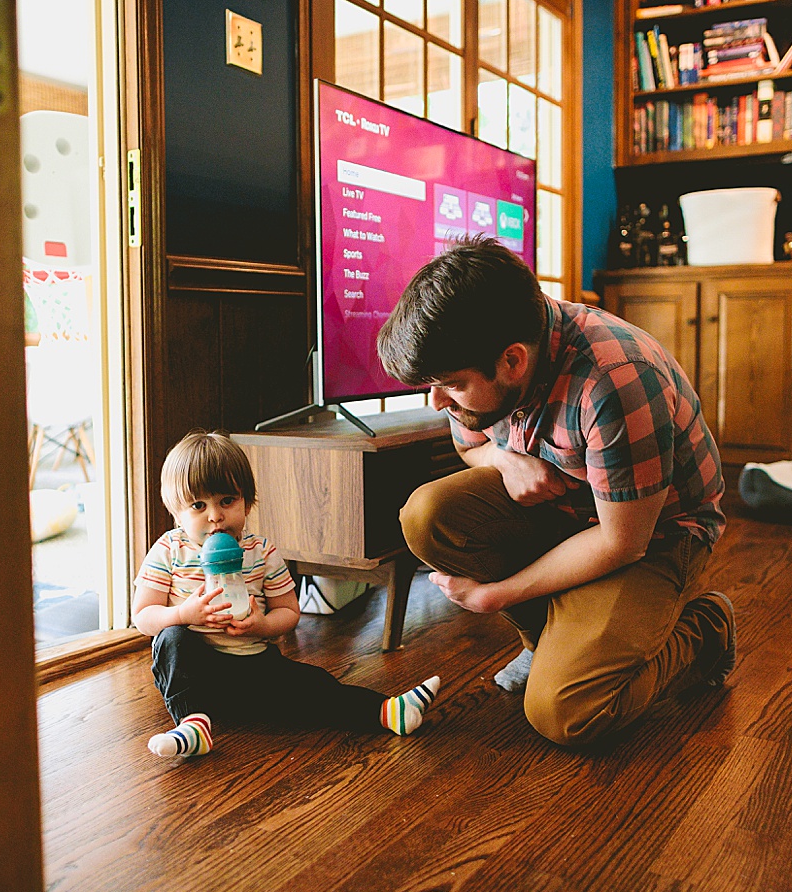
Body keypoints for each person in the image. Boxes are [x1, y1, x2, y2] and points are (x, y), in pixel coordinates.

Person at [375, 236, 733, 749]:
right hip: (569, 511)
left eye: (449, 385)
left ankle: (704, 631)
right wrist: (502, 459)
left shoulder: (617, 380)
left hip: (655, 534)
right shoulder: (486, 357)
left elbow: (621, 543)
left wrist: (497, 594)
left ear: (513, 361)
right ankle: (549, 640)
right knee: (427, 514)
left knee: (566, 712)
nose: (436, 403)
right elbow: (471, 446)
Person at [133, 430, 442, 758]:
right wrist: (182, 615)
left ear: (247, 502)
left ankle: (387, 711)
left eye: (227, 501)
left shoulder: (261, 552)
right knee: (171, 640)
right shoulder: (169, 550)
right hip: (197, 671)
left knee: (312, 685)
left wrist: (261, 625)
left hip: (251, 665)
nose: (215, 516)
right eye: (198, 505)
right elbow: (143, 616)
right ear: (176, 512)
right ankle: (192, 725)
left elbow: (289, 612)